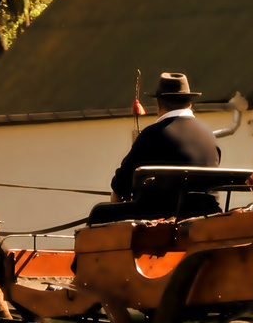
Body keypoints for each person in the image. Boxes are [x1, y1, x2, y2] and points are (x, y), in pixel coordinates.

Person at [93, 72, 221, 224]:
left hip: (161, 219)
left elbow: (119, 190)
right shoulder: (209, 135)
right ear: (190, 103)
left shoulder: (151, 135)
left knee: (99, 213)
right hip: (206, 215)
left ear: (159, 103)